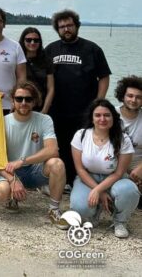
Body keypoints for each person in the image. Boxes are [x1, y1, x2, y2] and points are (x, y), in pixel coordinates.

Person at [45, 9, 111, 186]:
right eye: (62, 26)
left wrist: (99, 103)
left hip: (84, 109)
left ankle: (80, 180)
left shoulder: (92, 49)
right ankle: (62, 180)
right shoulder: (51, 50)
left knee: (82, 146)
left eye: (69, 25)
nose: (66, 29)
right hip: (57, 109)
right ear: (57, 29)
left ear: (77, 26)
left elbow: (104, 77)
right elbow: (42, 77)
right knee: (60, 145)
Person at [0, 82, 68, 229]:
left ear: (35, 101)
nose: (23, 103)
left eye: (28, 99)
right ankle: (11, 200)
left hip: (34, 170)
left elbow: (52, 150)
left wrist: (22, 161)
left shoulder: (44, 120)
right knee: (2, 191)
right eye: (19, 99)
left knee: (57, 164)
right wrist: (12, 179)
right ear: (12, 101)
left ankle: (54, 209)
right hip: (8, 170)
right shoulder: (1, 122)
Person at [70, 99, 139, 238]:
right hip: (88, 178)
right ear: (92, 118)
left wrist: (97, 190)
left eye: (107, 115)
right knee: (80, 207)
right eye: (98, 115)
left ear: (114, 117)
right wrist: (99, 191)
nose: (102, 119)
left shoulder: (123, 139)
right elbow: (80, 170)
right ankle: (93, 213)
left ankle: (120, 221)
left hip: (114, 178)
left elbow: (119, 172)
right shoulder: (81, 135)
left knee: (130, 191)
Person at [115, 75, 142, 209]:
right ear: (122, 96)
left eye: (138, 97)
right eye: (130, 96)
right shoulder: (110, 114)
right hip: (113, 163)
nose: (133, 100)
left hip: (137, 165)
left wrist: (140, 169)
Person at [18, 27, 54, 113]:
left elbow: (51, 88)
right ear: (23, 41)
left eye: (36, 40)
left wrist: (44, 110)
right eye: (28, 40)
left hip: (41, 105)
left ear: (40, 42)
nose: (32, 42)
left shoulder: (46, 60)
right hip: (22, 104)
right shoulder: (18, 60)